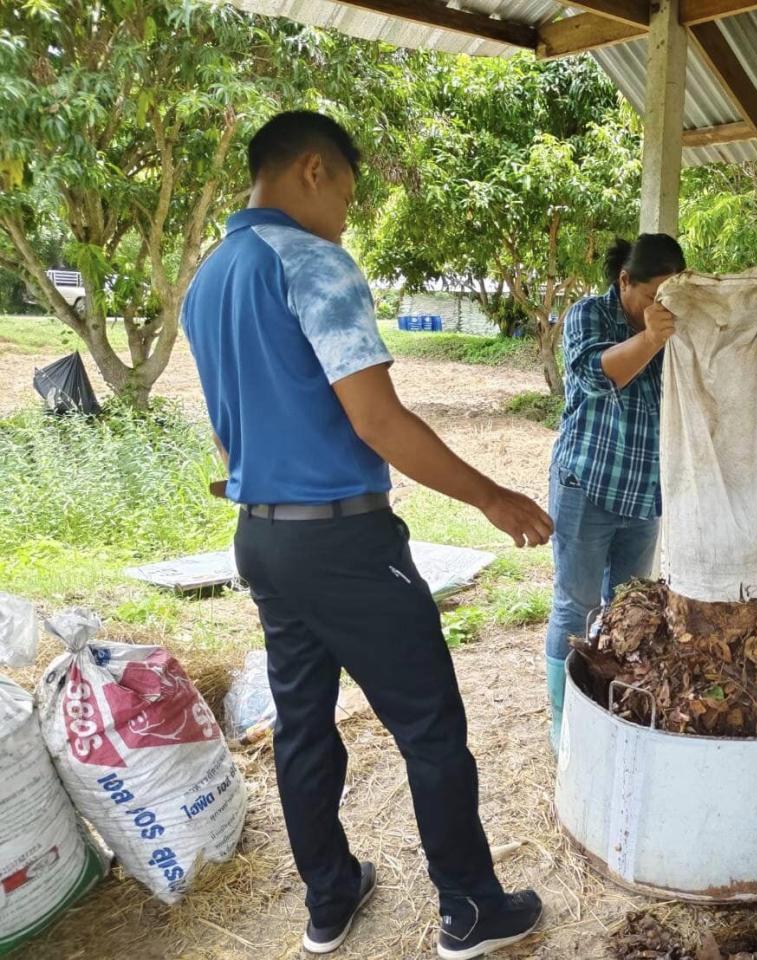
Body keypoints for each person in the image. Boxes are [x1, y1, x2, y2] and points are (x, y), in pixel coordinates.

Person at [182, 111, 552, 960]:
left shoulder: (209, 278)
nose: (348, 213)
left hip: (262, 538)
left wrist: (258, 475)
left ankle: (329, 897)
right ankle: (469, 907)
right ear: (312, 169)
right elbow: (379, 420)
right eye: (347, 191)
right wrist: (491, 496)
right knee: (428, 726)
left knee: (305, 724)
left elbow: (230, 424)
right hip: (344, 545)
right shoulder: (311, 262)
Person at [543, 235, 686, 749]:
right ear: (625, 280)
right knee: (575, 605)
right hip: (587, 486)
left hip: (644, 498)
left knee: (630, 611)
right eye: (653, 296)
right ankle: (566, 725)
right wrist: (650, 338)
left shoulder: (672, 324)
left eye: (672, 299)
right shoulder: (589, 315)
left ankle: (614, 706)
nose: (661, 309)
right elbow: (594, 377)